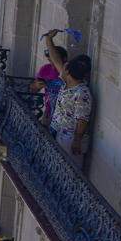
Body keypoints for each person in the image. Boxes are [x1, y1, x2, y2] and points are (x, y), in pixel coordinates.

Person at [40, 31, 93, 159]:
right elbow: (56, 59)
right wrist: (49, 40)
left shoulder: (82, 92)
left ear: (68, 72)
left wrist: (77, 140)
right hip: (57, 131)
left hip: (69, 138)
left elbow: (82, 118)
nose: (61, 68)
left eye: (64, 67)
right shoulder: (65, 83)